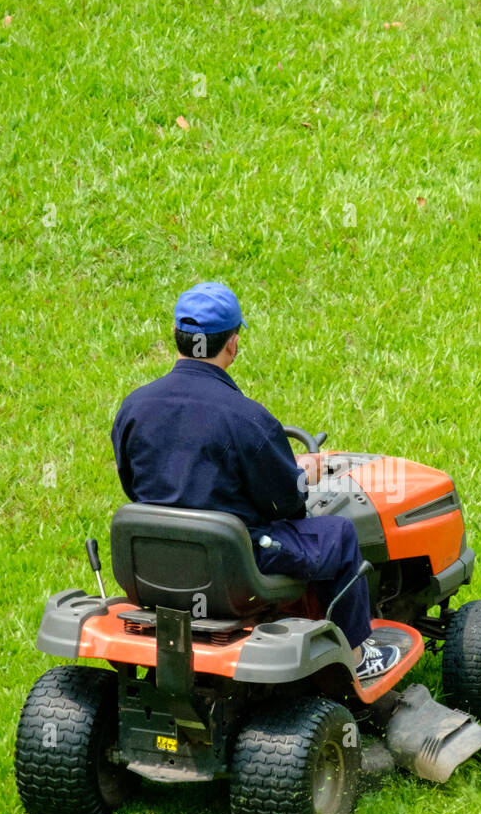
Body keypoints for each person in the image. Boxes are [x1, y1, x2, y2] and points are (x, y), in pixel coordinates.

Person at [111, 281, 400, 680]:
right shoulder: (247, 419)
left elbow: (132, 485)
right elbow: (288, 505)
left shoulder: (134, 408)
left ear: (177, 337)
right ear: (232, 344)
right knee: (340, 535)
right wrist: (303, 474)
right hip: (235, 566)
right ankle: (358, 656)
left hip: (156, 566)